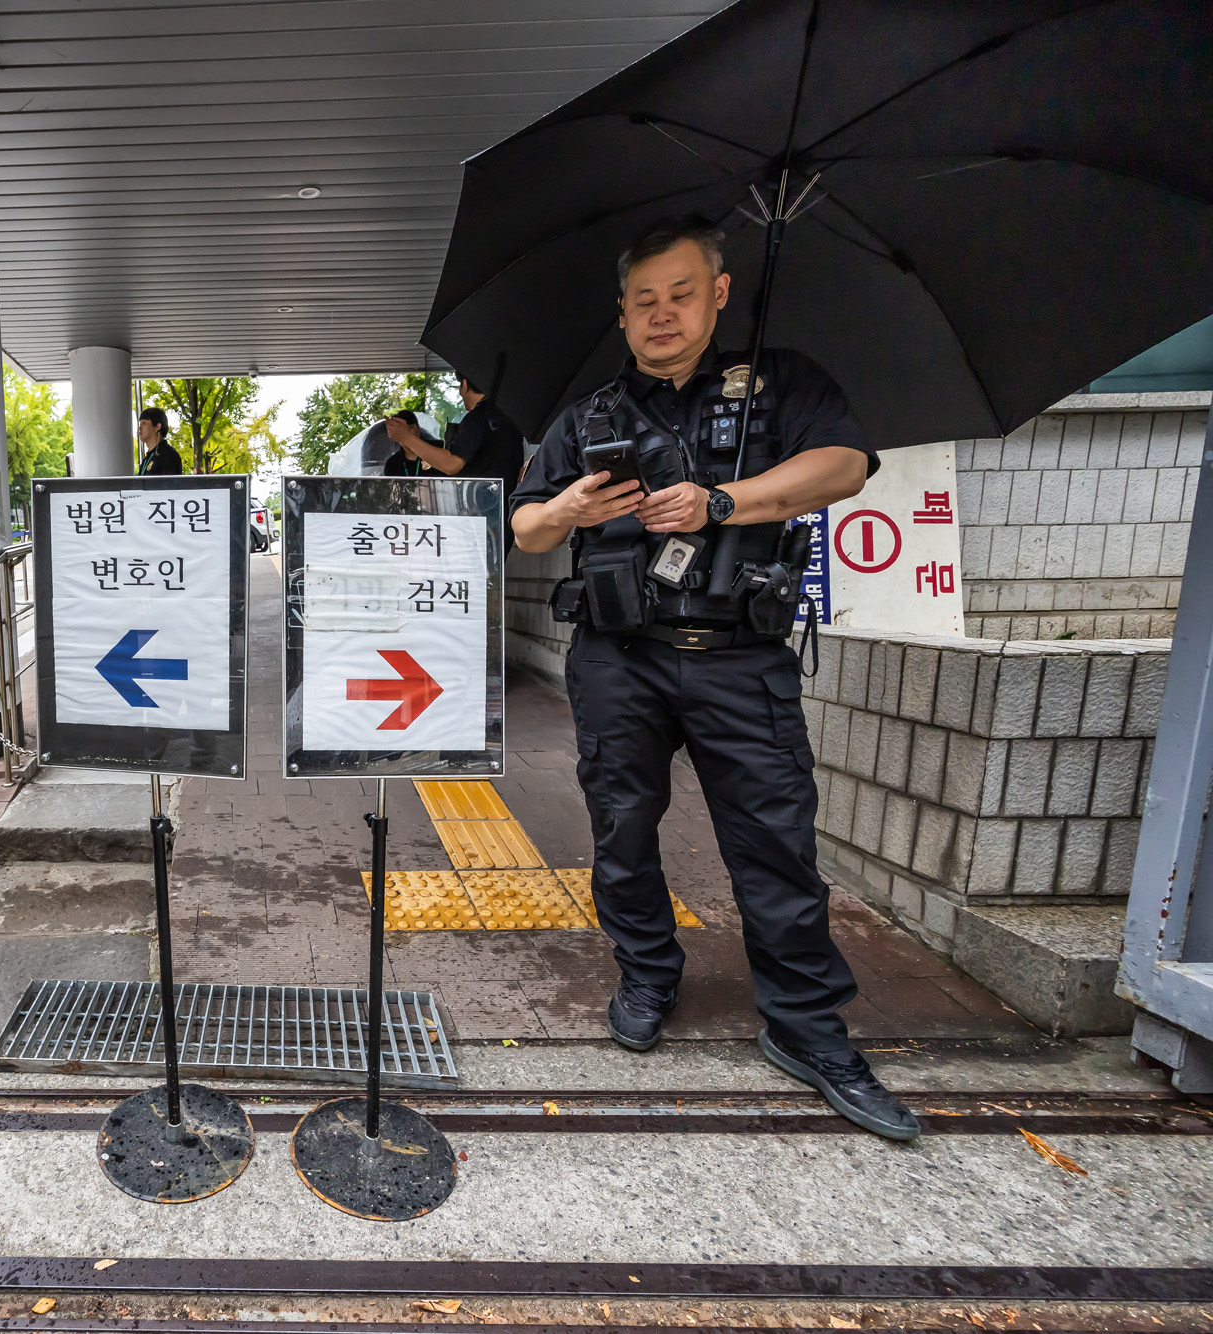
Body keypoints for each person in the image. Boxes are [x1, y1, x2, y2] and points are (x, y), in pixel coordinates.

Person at [508, 215, 918, 1141]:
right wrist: (568, 505)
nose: (663, 314)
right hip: (621, 658)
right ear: (622, 314)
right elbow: (526, 528)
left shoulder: (782, 385)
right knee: (622, 828)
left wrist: (721, 500)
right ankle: (648, 973)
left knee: (774, 844)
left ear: (720, 294)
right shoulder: (589, 418)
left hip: (742, 656)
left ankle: (809, 1031)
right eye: (644, 300)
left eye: (681, 293)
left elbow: (846, 465)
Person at [381, 376, 524, 495]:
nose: (461, 394)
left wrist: (406, 437)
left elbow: (452, 464)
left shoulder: (476, 418)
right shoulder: (508, 417)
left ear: (465, 384)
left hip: (484, 504)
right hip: (508, 501)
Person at [137, 406, 183, 476]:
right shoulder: (147, 459)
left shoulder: (169, 455)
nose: (140, 428)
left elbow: (170, 485)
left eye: (144, 423)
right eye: (140, 424)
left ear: (157, 427)